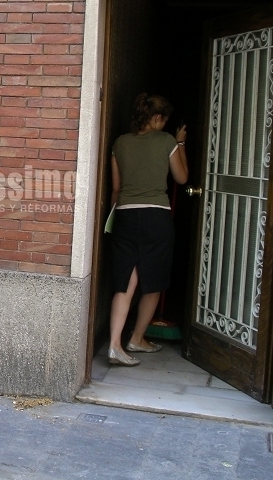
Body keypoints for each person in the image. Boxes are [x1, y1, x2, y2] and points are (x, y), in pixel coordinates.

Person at [107, 93, 188, 366]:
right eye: (163, 120)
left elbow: (116, 190)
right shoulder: (167, 141)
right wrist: (181, 143)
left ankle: (115, 344)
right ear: (157, 118)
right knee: (152, 281)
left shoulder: (120, 142)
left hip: (125, 215)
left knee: (125, 281)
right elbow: (182, 177)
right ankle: (137, 338)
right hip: (156, 217)